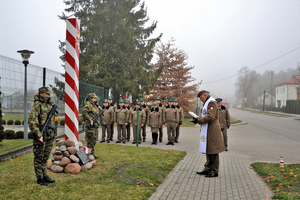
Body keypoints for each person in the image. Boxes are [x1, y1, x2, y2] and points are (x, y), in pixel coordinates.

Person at [191, 90, 225, 178]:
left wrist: (198, 120)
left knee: (213, 151)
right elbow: (204, 116)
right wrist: (197, 119)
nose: (200, 100)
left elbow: (210, 117)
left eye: (201, 98)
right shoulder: (207, 103)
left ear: (205, 95)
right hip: (207, 130)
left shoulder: (212, 103)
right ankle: (208, 168)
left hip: (212, 131)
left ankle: (214, 170)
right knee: (208, 149)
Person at [28, 86, 56, 186]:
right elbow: (32, 122)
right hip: (40, 136)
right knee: (39, 157)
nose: (49, 95)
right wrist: (39, 135)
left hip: (49, 136)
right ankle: (39, 178)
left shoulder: (49, 105)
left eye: (49, 94)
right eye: (47, 94)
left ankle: (44, 175)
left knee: (45, 157)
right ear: (41, 94)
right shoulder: (37, 105)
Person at [82, 93, 101, 158]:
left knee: (94, 139)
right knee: (90, 140)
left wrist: (98, 107)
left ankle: (92, 153)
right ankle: (89, 154)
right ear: (90, 98)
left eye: (95, 98)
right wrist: (90, 120)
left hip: (95, 126)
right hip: (90, 126)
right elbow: (84, 112)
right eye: (94, 98)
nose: (95, 99)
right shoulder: (88, 105)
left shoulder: (95, 106)